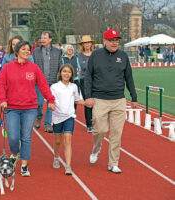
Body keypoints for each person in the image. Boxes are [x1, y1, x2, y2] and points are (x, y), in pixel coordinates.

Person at [0, 40, 55, 177]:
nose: (26, 52)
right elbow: (1, 85)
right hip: (12, 108)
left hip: (30, 108)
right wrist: (2, 100)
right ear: (17, 52)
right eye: (23, 49)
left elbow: (43, 85)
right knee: (13, 137)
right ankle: (15, 153)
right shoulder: (7, 68)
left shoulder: (34, 68)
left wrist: (51, 99)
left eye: (28, 50)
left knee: (26, 137)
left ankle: (24, 165)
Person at [85, 29, 138, 174]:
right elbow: (88, 76)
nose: (115, 43)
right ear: (105, 41)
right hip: (100, 99)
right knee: (100, 130)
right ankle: (96, 149)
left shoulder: (123, 56)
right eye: (112, 40)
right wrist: (88, 96)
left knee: (116, 133)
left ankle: (113, 163)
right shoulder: (95, 55)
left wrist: (134, 97)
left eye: (117, 40)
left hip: (118, 100)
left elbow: (129, 77)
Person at [51, 64, 85, 175]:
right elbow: (51, 101)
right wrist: (51, 105)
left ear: (72, 75)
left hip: (69, 116)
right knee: (57, 141)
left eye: (69, 72)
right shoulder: (55, 87)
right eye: (64, 71)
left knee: (68, 140)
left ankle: (68, 166)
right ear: (60, 73)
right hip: (57, 117)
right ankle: (56, 157)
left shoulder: (74, 87)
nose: (66, 74)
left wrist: (87, 102)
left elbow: (77, 100)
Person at [32, 31, 62, 132]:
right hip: (39, 82)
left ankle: (48, 124)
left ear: (50, 39)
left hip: (53, 81)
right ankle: (39, 116)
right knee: (39, 103)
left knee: (51, 103)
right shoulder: (36, 51)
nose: (42, 40)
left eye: (45, 38)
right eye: (42, 38)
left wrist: (60, 80)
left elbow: (60, 66)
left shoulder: (57, 52)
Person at [77, 35, 96, 133]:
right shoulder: (80, 55)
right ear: (82, 45)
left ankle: (95, 122)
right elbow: (83, 67)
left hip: (96, 80)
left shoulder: (95, 54)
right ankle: (89, 124)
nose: (87, 44)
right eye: (85, 43)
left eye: (88, 42)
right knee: (88, 102)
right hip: (84, 80)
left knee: (97, 102)